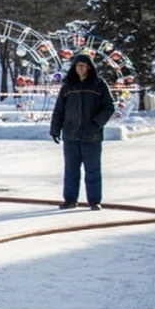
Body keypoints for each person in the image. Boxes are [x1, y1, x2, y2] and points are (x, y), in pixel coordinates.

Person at [49, 53, 115, 211]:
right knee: (71, 170)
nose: (80, 68)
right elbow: (59, 110)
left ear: (89, 68)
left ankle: (94, 201)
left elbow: (109, 107)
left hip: (92, 136)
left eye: (83, 66)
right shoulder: (68, 87)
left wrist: (96, 123)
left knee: (92, 170)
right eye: (78, 65)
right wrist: (55, 129)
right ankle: (70, 200)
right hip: (71, 135)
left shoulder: (99, 85)